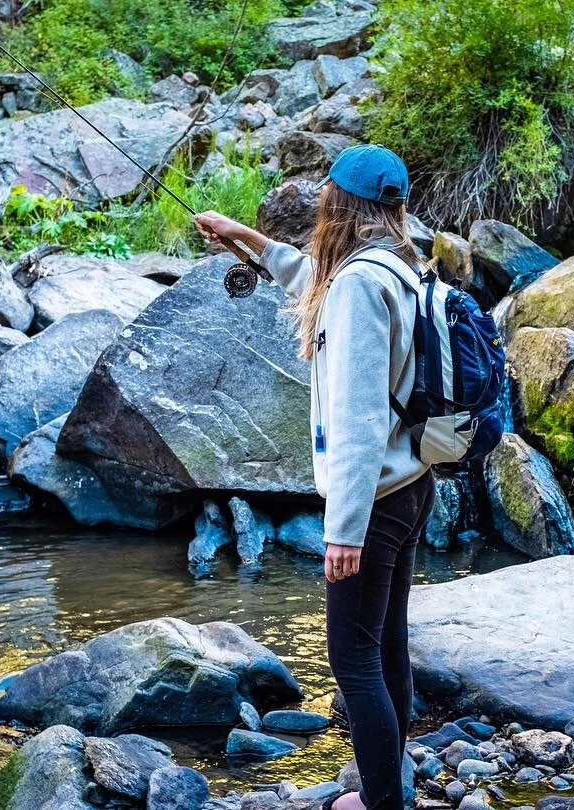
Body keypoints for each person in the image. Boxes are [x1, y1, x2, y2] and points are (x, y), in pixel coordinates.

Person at [195, 144, 432, 810]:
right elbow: (314, 285)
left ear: (339, 206)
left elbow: (357, 418)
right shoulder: (397, 267)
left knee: (353, 660)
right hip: (412, 484)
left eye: (326, 197)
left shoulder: (359, 284)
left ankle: (381, 800)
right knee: (387, 645)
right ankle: (389, 781)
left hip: (375, 497)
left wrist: (344, 530)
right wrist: (247, 239)